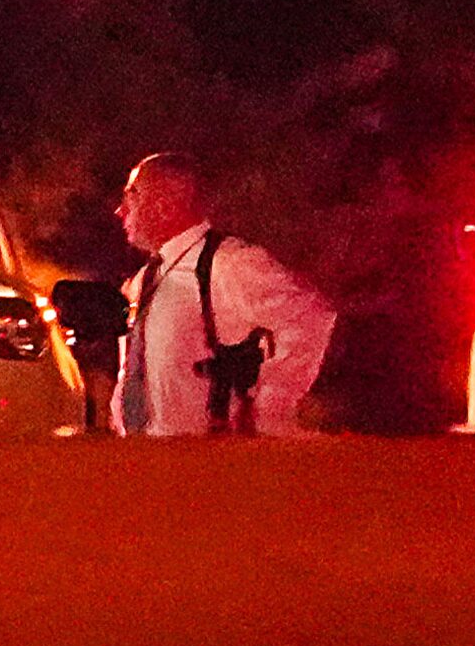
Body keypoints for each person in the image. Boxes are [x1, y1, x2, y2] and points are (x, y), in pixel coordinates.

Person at [111, 153, 337, 437]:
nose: (121, 211)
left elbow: (311, 318)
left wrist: (269, 406)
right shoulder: (144, 280)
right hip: (147, 461)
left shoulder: (229, 264)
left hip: (208, 464)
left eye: (131, 196)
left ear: (164, 206)